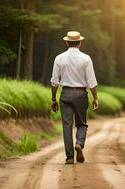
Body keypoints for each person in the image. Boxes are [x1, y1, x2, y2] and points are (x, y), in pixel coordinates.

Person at [50, 31, 98, 164]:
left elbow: (54, 81)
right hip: (81, 95)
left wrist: (53, 99)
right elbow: (92, 81)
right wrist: (95, 98)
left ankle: (70, 157)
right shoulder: (86, 58)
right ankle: (79, 144)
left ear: (67, 42)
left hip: (65, 94)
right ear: (80, 42)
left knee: (67, 125)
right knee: (81, 123)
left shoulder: (59, 58)